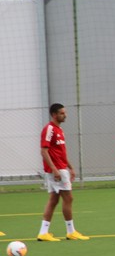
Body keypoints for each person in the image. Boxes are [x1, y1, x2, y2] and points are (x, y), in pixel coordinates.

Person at [36, 103, 89, 242]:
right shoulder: (49, 129)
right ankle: (70, 231)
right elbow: (44, 151)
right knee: (68, 198)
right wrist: (54, 169)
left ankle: (43, 232)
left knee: (54, 200)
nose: (65, 115)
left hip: (61, 168)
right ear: (54, 115)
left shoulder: (59, 130)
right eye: (62, 113)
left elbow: (61, 152)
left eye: (64, 113)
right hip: (57, 170)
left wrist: (70, 167)